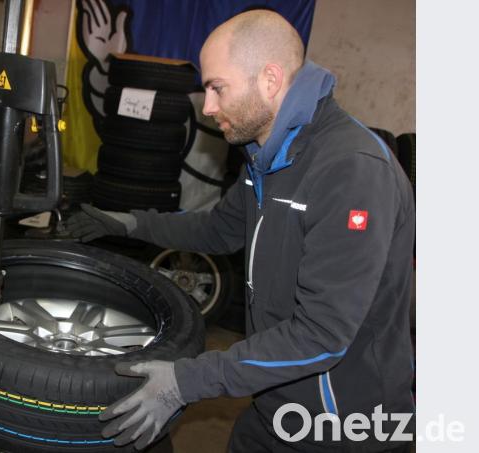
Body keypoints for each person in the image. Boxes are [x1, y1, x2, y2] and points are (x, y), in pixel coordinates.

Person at [66, 9, 415, 453]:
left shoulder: (351, 172)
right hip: (277, 403)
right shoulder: (265, 154)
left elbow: (323, 335)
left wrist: (186, 380)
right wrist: (131, 223)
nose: (208, 108)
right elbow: (218, 229)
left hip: (345, 426)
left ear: (269, 79)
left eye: (217, 88)